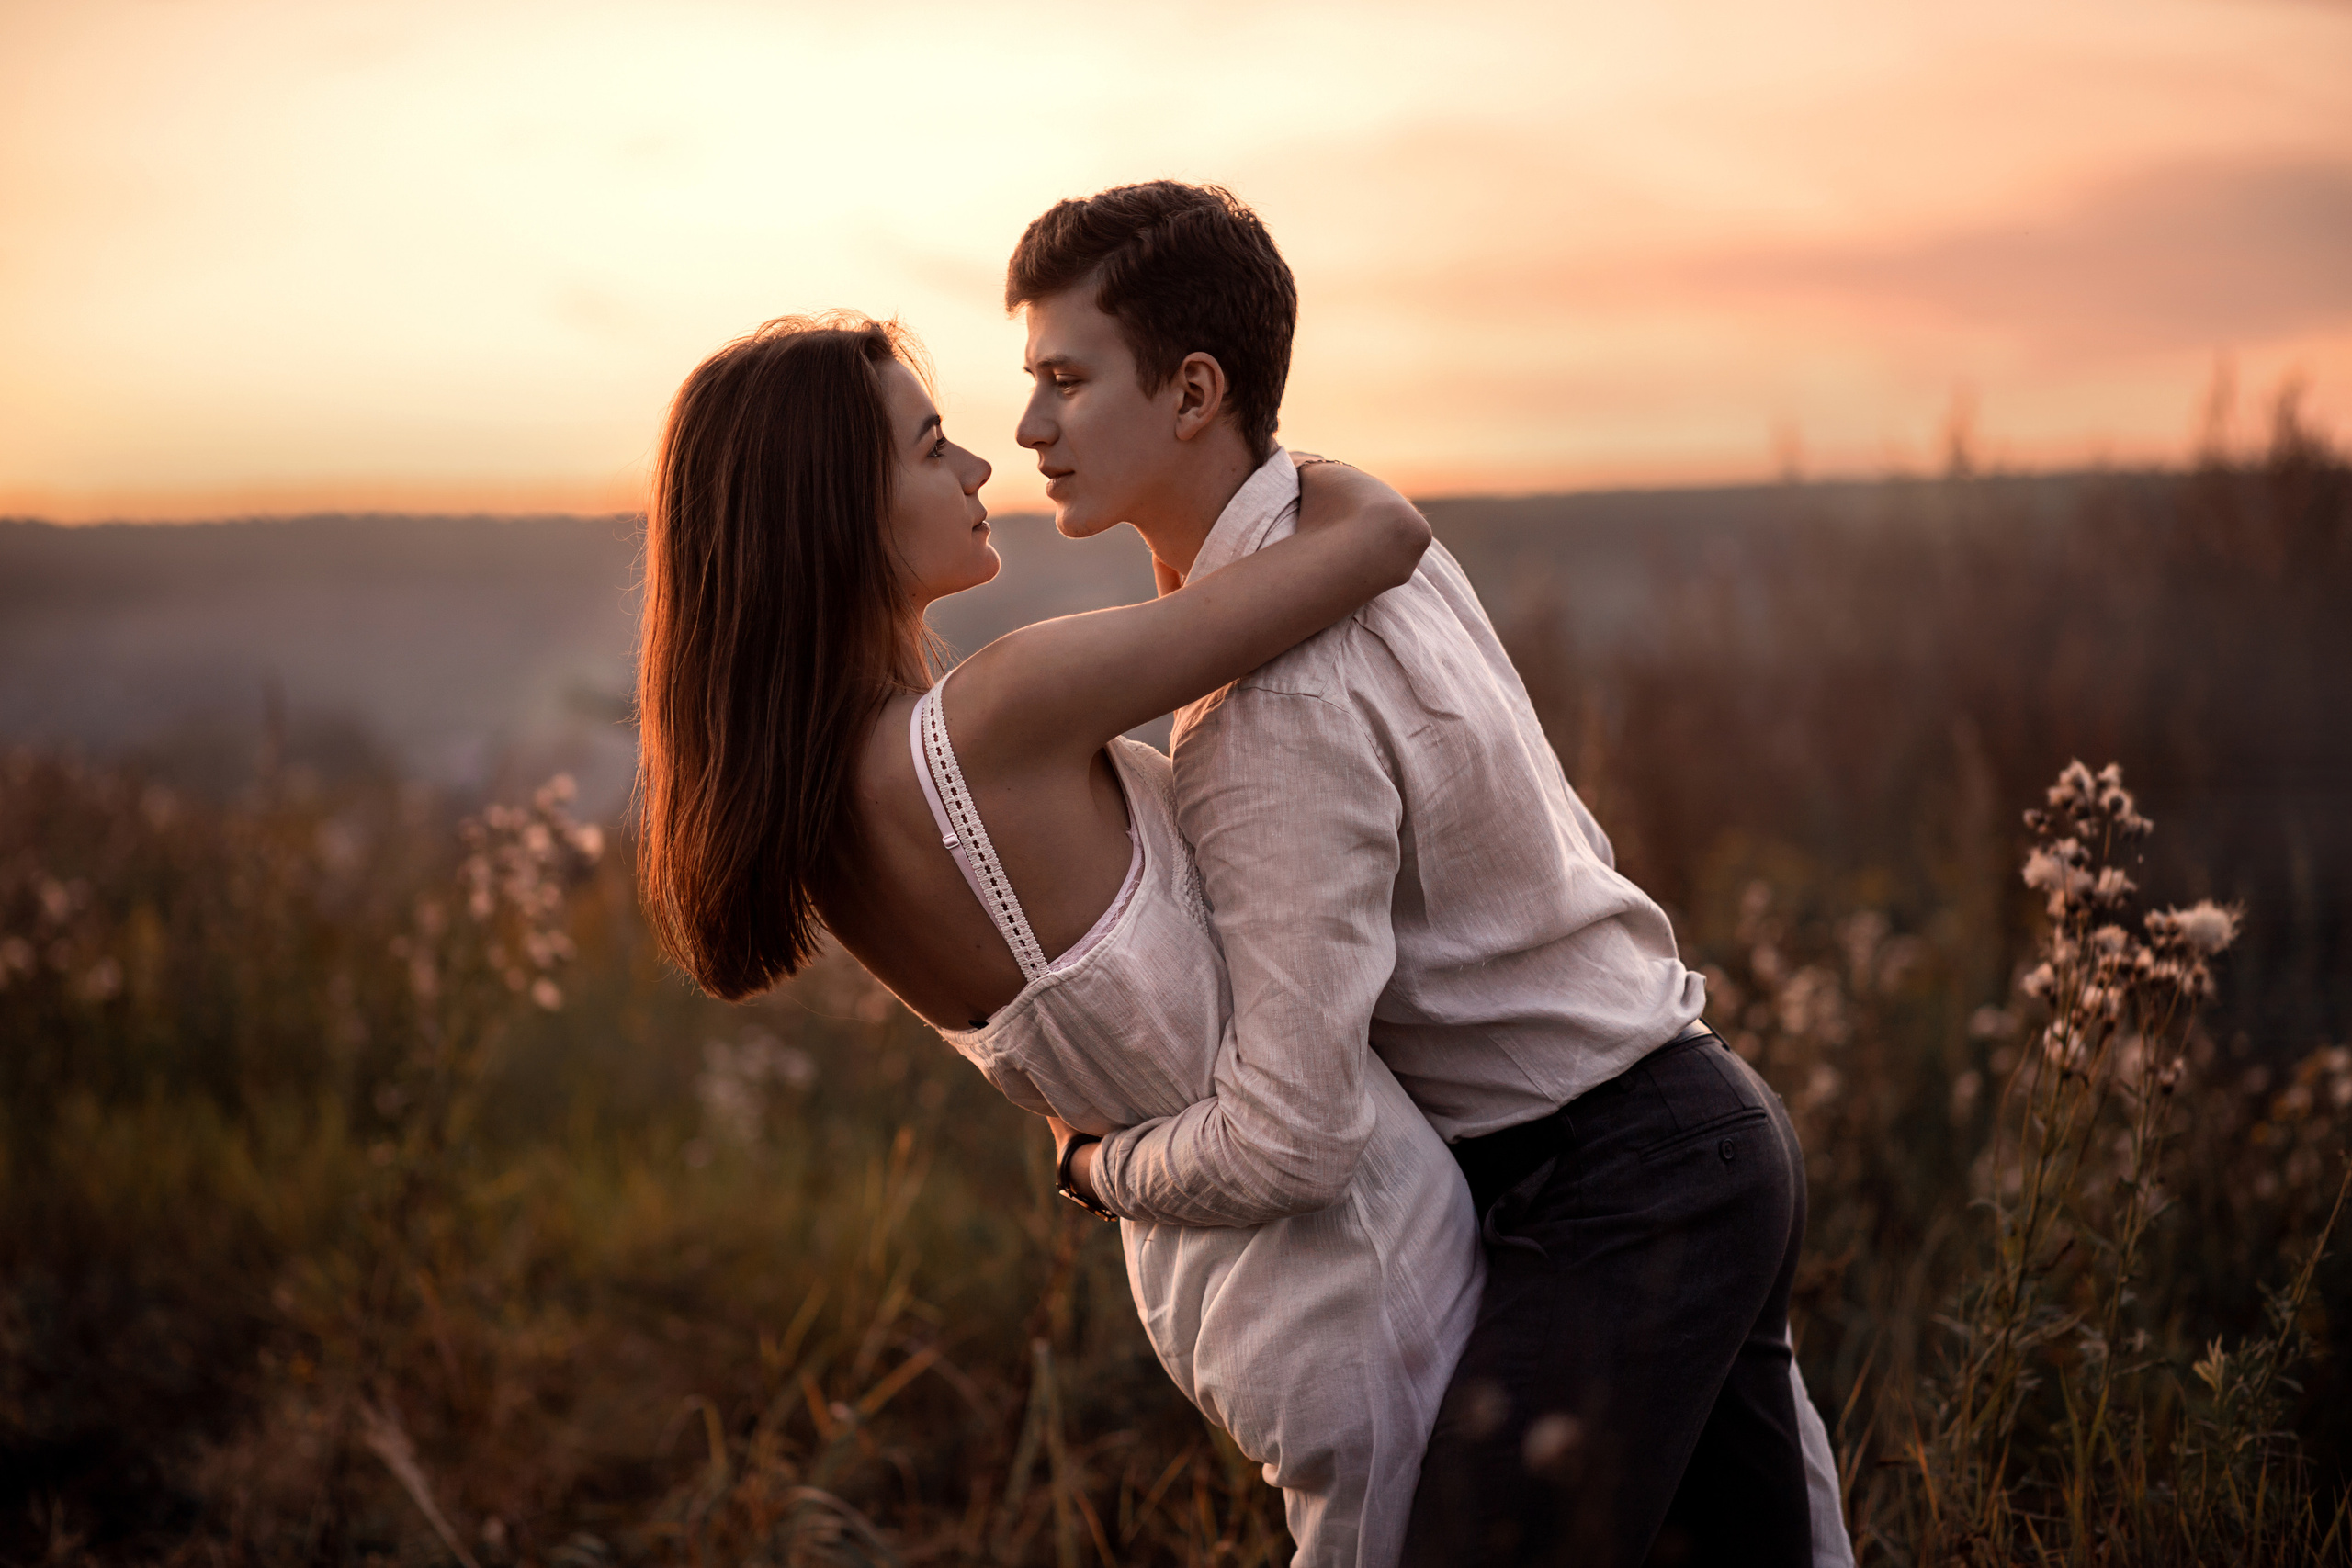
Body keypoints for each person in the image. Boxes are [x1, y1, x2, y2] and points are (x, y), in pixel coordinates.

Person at [1011, 181, 1852, 1568]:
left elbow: (1295, 1134)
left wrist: (1100, 1169)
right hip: (1701, 1136)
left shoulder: (1268, 714)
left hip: (1619, 1186)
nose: (1031, 427)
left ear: (1193, 391)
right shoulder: (1345, 535)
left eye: (1064, 378)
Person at [633, 311, 1485, 1566]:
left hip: (1222, 1302)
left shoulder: (828, 829)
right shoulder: (997, 716)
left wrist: (1092, 1171)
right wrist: (1292, 466)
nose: (981, 468)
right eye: (931, 451)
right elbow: (1379, 542)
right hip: (1376, 1272)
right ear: (834, 513)